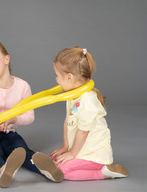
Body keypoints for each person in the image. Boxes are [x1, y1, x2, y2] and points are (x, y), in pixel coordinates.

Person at [0, 40, 64, 187]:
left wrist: (13, 119)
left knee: (22, 150)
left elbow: (29, 117)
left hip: (9, 133)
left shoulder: (22, 86)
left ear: (6, 59)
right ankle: (2, 172)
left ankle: (47, 170)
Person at [41, 46, 128, 181]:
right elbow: (67, 121)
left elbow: (83, 132)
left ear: (69, 77)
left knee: (62, 171)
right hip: (81, 149)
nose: (56, 79)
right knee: (55, 159)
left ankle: (104, 172)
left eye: (57, 75)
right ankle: (60, 163)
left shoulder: (87, 100)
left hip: (95, 154)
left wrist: (72, 153)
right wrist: (65, 146)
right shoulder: (73, 94)